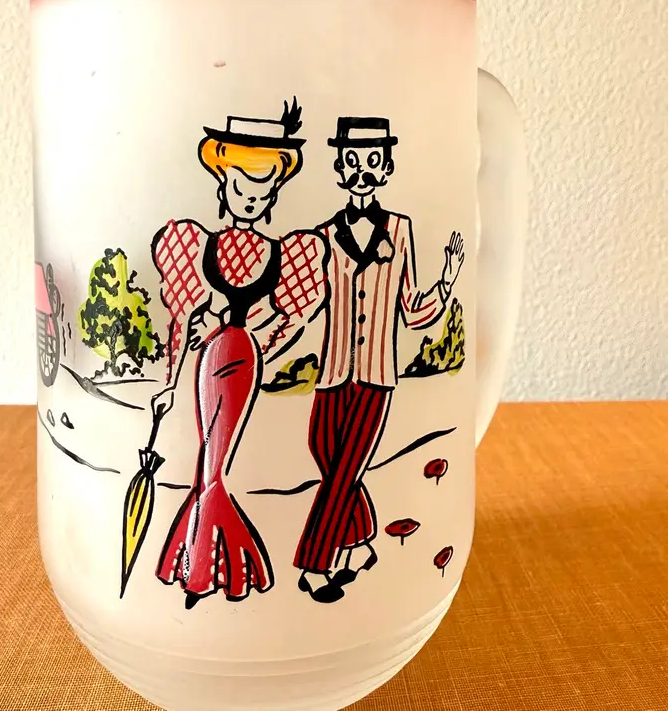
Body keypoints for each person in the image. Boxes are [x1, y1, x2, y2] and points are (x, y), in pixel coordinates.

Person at [146, 99, 328, 609]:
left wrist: (259, 344)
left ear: (274, 193)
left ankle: (199, 566)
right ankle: (215, 562)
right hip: (208, 360)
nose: (250, 199)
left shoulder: (286, 252)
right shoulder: (194, 243)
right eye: (241, 187)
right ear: (222, 183)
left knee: (214, 462)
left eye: (261, 191)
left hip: (243, 359)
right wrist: (168, 382)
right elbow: (181, 320)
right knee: (206, 460)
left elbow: (292, 318)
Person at [294, 116, 465, 603]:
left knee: (344, 469)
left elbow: (412, 310)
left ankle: (315, 565)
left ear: (386, 168)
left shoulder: (401, 230)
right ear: (340, 169)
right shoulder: (324, 236)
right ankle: (361, 543)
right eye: (352, 161)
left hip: (375, 374)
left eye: (372, 161)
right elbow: (309, 301)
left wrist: (447, 279)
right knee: (325, 454)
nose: (362, 171)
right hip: (333, 370)